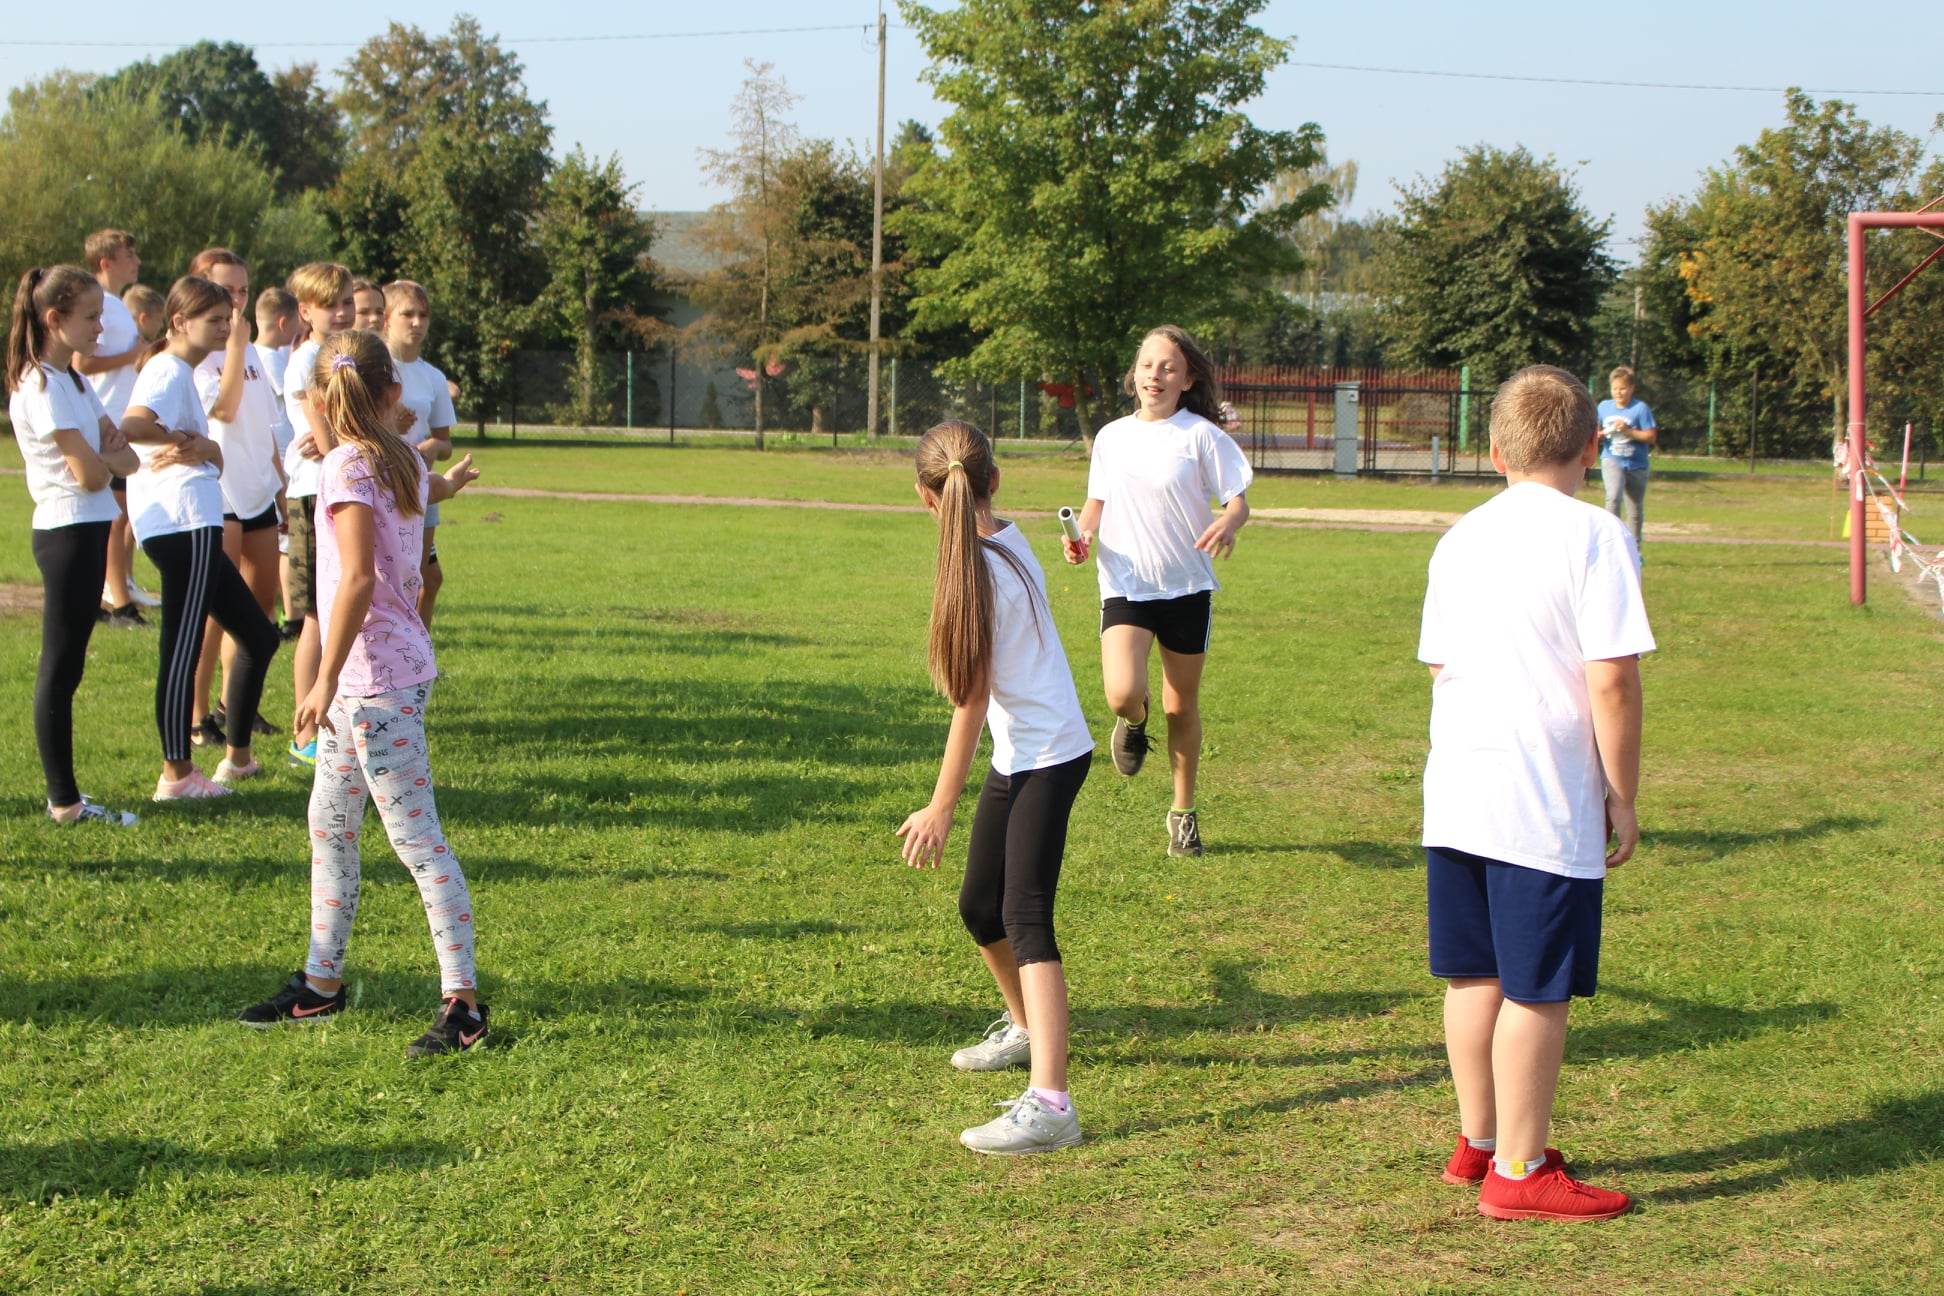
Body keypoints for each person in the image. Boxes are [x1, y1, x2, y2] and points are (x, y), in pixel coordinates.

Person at [1418, 365, 1653, 1222]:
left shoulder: (1459, 537)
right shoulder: (1595, 535)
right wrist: (1621, 792)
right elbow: (1612, 679)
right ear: (1592, 446)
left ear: (1493, 452)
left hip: (1458, 785)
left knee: (1473, 973)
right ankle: (1520, 1170)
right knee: (1538, 987)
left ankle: (1480, 1142)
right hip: (1540, 791)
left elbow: (1440, 663)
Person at [237, 329, 487, 1059]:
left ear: (317, 399)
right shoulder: (399, 453)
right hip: (378, 676)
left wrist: (320, 677)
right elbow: (428, 491)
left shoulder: (347, 465)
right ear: (393, 392)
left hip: (374, 683)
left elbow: (353, 579)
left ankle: (465, 1007)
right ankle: (321, 985)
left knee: (417, 842)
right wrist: (452, 483)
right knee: (330, 822)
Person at [898, 420, 1095, 1154]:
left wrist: (940, 804)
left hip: (1051, 755)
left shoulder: (979, 568)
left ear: (926, 498)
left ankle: (1052, 1105)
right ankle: (1025, 1027)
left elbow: (971, 700)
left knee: (1025, 916)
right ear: (995, 481)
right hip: (1021, 754)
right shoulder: (1002, 537)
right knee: (981, 906)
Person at [1062, 324, 1251, 858]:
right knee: (1122, 693)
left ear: (1187, 379)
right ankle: (1133, 719)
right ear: (1135, 374)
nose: (1156, 375)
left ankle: (1183, 813)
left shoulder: (1202, 436)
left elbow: (1237, 501)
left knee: (1180, 706)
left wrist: (1229, 522)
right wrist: (1081, 536)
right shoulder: (1111, 437)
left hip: (1187, 587)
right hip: (1126, 583)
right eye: (1148, 365)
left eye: (1169, 367)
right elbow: (1094, 506)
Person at [118, 275, 282, 800]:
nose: (225, 328)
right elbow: (133, 425)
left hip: (196, 524)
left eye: (227, 318)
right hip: (182, 525)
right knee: (182, 649)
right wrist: (182, 439)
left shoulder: (181, 372)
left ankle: (237, 760)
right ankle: (177, 776)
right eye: (213, 320)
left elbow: (204, 453)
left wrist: (207, 449)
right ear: (179, 322)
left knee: (259, 636)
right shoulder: (167, 368)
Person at [7, 265, 143, 826]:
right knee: (60, 670)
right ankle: (64, 803)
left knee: (69, 669)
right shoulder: (41, 385)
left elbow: (127, 460)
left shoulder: (75, 381)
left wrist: (103, 458)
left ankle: (66, 799)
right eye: (90, 317)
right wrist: (104, 458)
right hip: (66, 532)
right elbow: (90, 475)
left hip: (88, 528)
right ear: (53, 319)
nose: (100, 329)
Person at [183, 250, 285, 749]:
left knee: (259, 607)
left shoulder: (251, 351)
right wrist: (237, 347)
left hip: (257, 487)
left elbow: (265, 424)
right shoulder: (197, 355)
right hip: (218, 490)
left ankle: (234, 702)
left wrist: (280, 484)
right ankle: (195, 714)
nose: (237, 301)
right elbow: (222, 410)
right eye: (227, 291)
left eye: (244, 290)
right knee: (212, 612)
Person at [280, 263, 357, 769]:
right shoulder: (309, 359)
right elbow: (325, 436)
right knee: (314, 614)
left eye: (347, 301)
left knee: (328, 611)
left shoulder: (338, 352)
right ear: (305, 311)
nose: (343, 312)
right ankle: (304, 733)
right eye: (331, 304)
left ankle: (326, 721)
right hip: (314, 492)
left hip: (331, 487)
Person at [73, 229, 157, 624]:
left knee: (119, 515)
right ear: (106, 262)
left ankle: (112, 595)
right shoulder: (100, 304)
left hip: (119, 421)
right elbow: (82, 362)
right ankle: (118, 602)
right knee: (114, 516)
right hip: (103, 420)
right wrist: (133, 354)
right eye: (129, 254)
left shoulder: (118, 305)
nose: (137, 261)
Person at [381, 280, 457, 626]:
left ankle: (416, 650)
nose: (417, 322)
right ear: (387, 318)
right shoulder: (375, 368)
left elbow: (445, 443)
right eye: (407, 314)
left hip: (421, 485)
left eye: (423, 315)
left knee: (418, 577)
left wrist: (431, 448)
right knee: (387, 579)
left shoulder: (433, 377)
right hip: (381, 481)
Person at [1598, 366, 1657, 550]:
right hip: (1612, 459)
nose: (1618, 392)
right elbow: (1595, 430)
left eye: (1622, 388)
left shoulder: (1640, 409)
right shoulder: (1604, 407)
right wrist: (1597, 435)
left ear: (1632, 388)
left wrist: (1628, 432)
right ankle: (1611, 545)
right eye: (1615, 388)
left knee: (1634, 509)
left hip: (1636, 464)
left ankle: (1634, 550)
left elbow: (1651, 436)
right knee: (1613, 497)